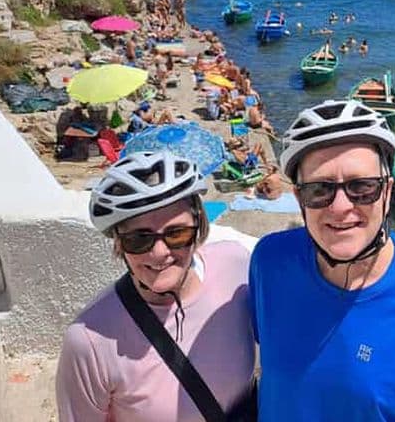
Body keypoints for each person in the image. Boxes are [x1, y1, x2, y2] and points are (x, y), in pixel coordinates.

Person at [248, 100, 395, 420]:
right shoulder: (269, 263)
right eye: (319, 189)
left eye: (361, 187)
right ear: (299, 198)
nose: (340, 207)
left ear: (387, 193)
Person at [56, 151, 255, 421]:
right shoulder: (89, 341)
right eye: (139, 239)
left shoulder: (236, 264)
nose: (159, 252)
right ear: (119, 244)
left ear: (199, 226)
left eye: (176, 233)